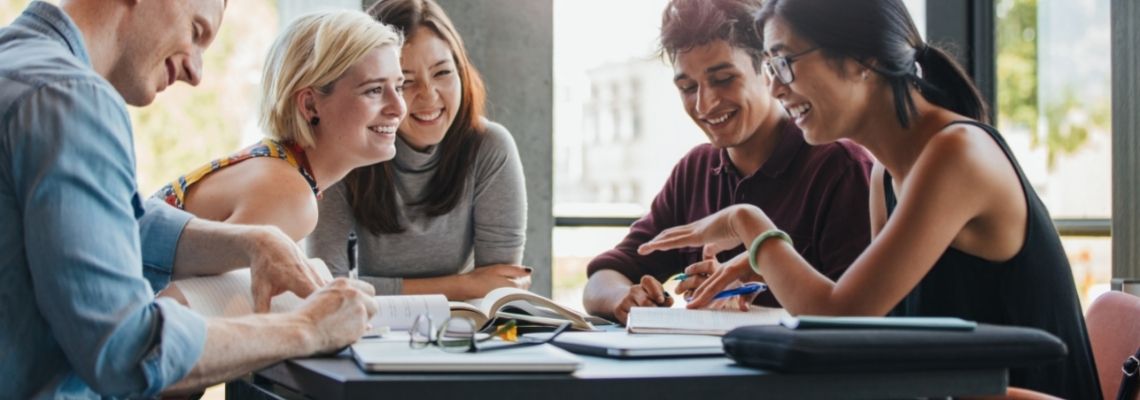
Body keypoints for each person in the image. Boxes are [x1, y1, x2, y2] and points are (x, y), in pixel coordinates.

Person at [638, 0, 1100, 398]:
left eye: (784, 62)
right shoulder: (887, 174)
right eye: (770, 68)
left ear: (861, 58)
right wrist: (764, 267)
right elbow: (868, 331)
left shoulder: (956, 154)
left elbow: (839, 315)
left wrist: (749, 225)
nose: (776, 87)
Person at [0, 1, 379, 397]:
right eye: (196, 33)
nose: (196, 73)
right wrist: (308, 328)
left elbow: (99, 221)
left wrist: (252, 242)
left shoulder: (17, 64)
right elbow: (128, 352)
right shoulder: (72, 99)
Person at [582, 0, 874, 324]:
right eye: (688, 88)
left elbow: (856, 318)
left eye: (723, 79)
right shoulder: (695, 171)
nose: (704, 104)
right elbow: (603, 278)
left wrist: (760, 282)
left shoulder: (840, 168)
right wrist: (624, 298)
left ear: (769, 69)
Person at [306, 0, 531, 300]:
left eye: (442, 73)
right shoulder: (344, 148)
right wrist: (464, 284)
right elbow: (328, 287)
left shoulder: (489, 147)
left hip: (462, 327)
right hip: (369, 329)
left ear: (461, 71)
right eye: (405, 82)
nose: (428, 95)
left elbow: (499, 285)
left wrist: (474, 287)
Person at [153, 10, 406, 243]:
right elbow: (177, 292)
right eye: (374, 90)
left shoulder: (280, 167)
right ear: (310, 105)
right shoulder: (289, 196)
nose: (399, 107)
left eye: (399, 87)